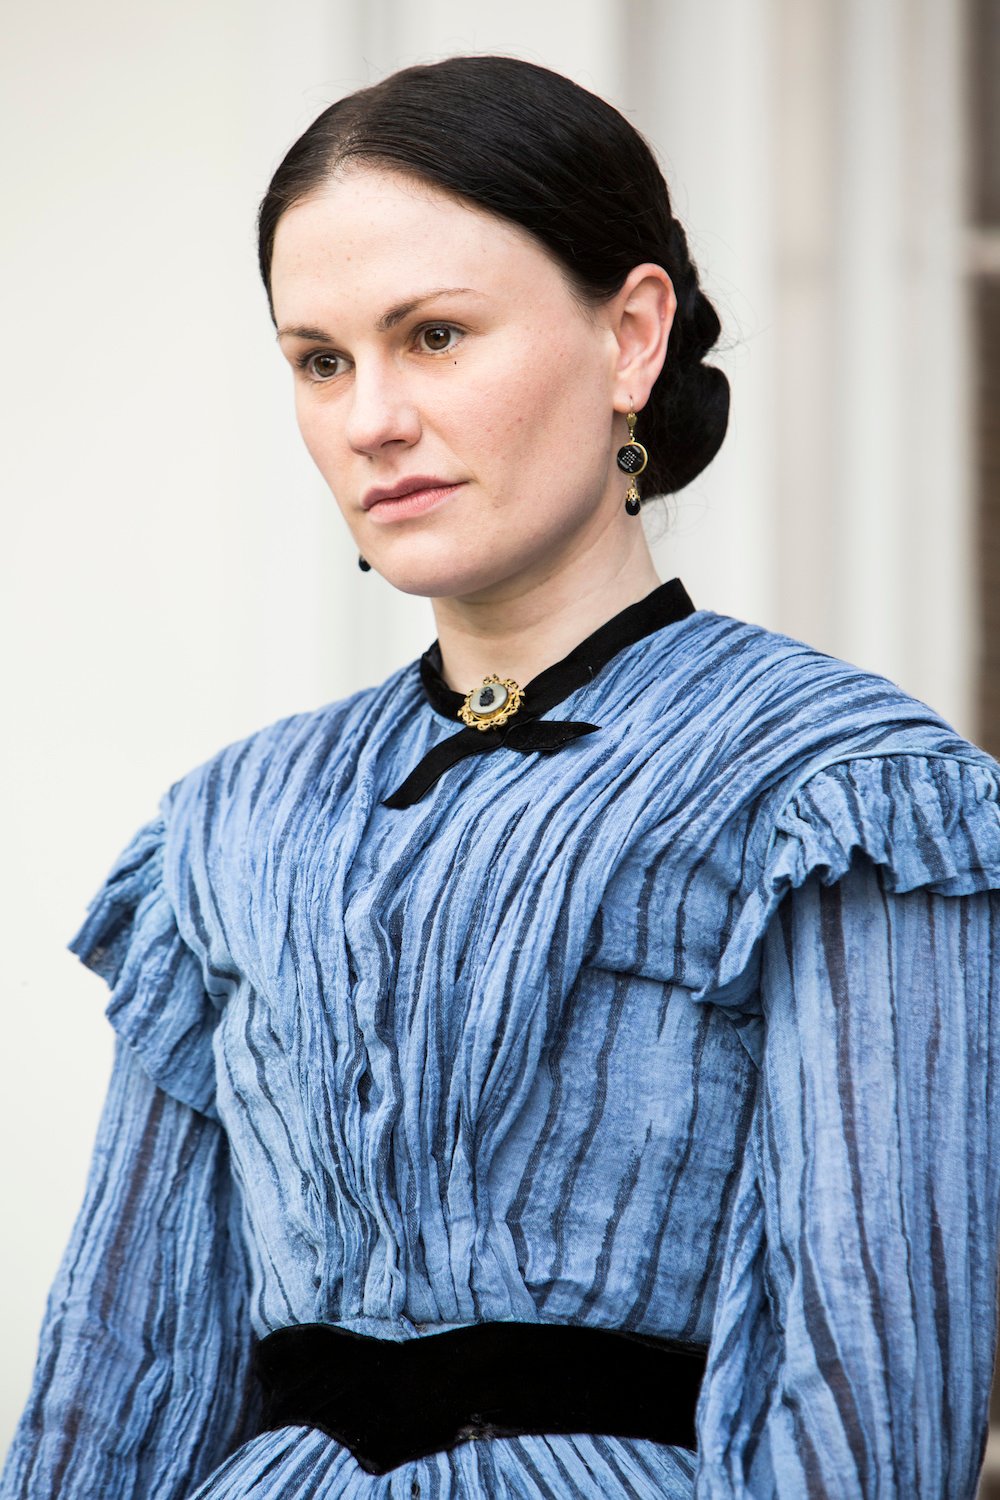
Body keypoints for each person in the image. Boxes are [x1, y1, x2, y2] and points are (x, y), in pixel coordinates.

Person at [3, 53, 1000, 1500]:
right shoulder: (233, 820)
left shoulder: (837, 793)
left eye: (437, 335)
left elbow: (875, 1391)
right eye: (321, 361)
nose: (372, 418)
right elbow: (119, 1369)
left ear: (631, 337)